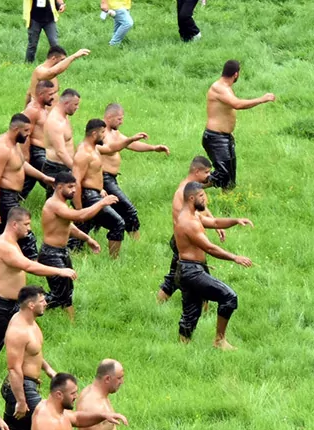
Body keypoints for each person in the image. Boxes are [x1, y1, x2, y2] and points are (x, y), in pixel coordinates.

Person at [0, 208, 76, 369]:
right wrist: (60, 271)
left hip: (14, 304)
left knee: (29, 337)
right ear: (15, 224)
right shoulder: (4, 245)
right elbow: (28, 266)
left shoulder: (13, 243)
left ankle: (44, 369)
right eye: (26, 224)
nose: (29, 228)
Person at [173, 182, 254, 349]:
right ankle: (219, 341)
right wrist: (235, 257)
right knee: (229, 297)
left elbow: (215, 222)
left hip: (188, 269)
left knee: (191, 313)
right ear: (191, 198)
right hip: (191, 272)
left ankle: (182, 348)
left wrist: (236, 220)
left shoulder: (193, 215)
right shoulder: (189, 222)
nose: (206, 199)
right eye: (202, 196)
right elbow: (209, 248)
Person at [0, 286, 57, 430]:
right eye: (42, 301)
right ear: (31, 305)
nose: (46, 303)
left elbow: (33, 353)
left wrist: (48, 370)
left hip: (27, 384)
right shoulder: (18, 331)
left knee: (13, 427)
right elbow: (14, 368)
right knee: (44, 420)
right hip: (20, 387)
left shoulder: (30, 321)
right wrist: (21, 401)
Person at [0, 114, 53, 260]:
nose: (28, 134)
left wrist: (43, 177)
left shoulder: (15, 144)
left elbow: (21, 164)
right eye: (26, 131)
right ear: (16, 129)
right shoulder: (2, 148)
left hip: (10, 197)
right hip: (4, 197)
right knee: (26, 235)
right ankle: (35, 266)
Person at [39, 172, 113, 320]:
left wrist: (88, 239)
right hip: (50, 254)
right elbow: (80, 216)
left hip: (61, 252)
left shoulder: (62, 205)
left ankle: (70, 323)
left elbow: (70, 227)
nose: (74, 190)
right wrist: (101, 203)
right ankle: (25, 308)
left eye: (75, 186)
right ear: (59, 187)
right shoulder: (54, 204)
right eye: (70, 187)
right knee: (59, 294)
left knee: (67, 290)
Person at [71, 118, 146, 257]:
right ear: (94, 134)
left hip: (95, 193)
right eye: (102, 133)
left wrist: (131, 139)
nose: (105, 136)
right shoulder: (83, 153)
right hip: (87, 196)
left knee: (82, 230)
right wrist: (79, 209)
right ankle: (113, 261)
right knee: (117, 223)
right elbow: (76, 181)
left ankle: (73, 253)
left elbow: (112, 148)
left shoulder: (95, 148)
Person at [157, 156, 227, 302]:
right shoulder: (182, 192)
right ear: (196, 171)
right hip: (185, 240)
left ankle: (160, 305)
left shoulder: (194, 189)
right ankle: (202, 314)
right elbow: (181, 221)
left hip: (191, 238)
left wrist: (216, 225)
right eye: (206, 172)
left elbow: (200, 207)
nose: (209, 176)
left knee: (176, 280)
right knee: (196, 281)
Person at [99, 103, 170, 240]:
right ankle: (137, 242)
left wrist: (154, 148)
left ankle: (78, 244)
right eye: (119, 119)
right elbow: (111, 148)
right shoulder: (101, 133)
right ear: (109, 117)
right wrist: (130, 139)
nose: (122, 122)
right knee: (129, 210)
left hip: (111, 179)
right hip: (103, 178)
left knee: (105, 213)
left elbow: (130, 144)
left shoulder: (115, 132)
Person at [203, 60, 276, 190]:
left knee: (229, 179)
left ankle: (227, 207)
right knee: (222, 175)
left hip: (225, 137)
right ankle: (191, 188)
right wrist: (262, 99)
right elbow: (237, 104)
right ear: (236, 74)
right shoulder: (219, 88)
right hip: (216, 138)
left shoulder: (225, 88)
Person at [21, 81, 60, 200]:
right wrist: (25, 157)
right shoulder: (33, 110)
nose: (53, 97)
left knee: (27, 181)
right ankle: (55, 209)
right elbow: (25, 135)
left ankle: (4, 201)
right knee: (56, 181)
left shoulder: (44, 108)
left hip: (44, 151)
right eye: (50, 94)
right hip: (36, 152)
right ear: (41, 94)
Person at [41, 89, 82, 198]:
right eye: (75, 104)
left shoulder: (64, 116)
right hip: (56, 168)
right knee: (55, 203)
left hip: (65, 165)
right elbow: (60, 152)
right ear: (66, 103)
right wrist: (76, 168)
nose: (77, 107)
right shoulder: (55, 122)